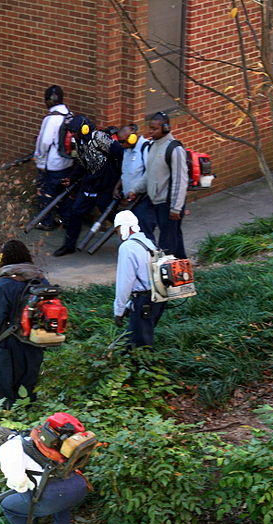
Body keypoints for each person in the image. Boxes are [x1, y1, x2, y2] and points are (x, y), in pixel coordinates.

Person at [0, 413, 91, 524]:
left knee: (8, 506)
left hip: (55, 495)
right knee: (60, 496)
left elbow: (18, 482)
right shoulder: (33, 438)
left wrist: (26, 491)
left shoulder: (7, 448)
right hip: (78, 485)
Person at [0, 240, 46, 409]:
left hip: (5, 347)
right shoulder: (42, 282)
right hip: (34, 344)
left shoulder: (4, 285)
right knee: (26, 392)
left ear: (5, 259)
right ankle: (26, 427)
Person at [53, 115, 123, 256]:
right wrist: (72, 179)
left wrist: (121, 180)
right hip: (90, 183)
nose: (73, 135)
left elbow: (121, 154)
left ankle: (132, 240)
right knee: (76, 213)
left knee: (111, 215)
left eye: (74, 132)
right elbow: (82, 164)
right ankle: (69, 245)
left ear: (84, 129)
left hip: (107, 183)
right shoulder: (79, 142)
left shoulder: (100, 138)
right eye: (71, 132)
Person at [130, 112, 188, 259]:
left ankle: (167, 274)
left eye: (154, 128)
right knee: (174, 238)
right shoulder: (152, 147)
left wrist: (176, 207)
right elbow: (149, 174)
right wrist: (135, 189)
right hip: (155, 200)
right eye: (150, 128)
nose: (150, 131)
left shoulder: (175, 149)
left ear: (166, 128)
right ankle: (182, 266)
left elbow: (180, 181)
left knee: (167, 244)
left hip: (169, 204)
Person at [113, 209, 166, 348]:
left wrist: (118, 310)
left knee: (141, 345)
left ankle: (145, 368)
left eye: (118, 230)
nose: (118, 235)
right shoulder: (149, 242)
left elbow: (125, 282)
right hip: (158, 297)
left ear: (125, 228)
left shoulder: (128, 247)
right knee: (138, 338)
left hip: (144, 301)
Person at [33, 85, 75, 231]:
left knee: (47, 192)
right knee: (64, 193)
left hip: (53, 164)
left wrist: (39, 159)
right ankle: (66, 219)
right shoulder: (70, 115)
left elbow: (44, 142)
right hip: (67, 162)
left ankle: (47, 222)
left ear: (48, 101)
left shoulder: (51, 119)